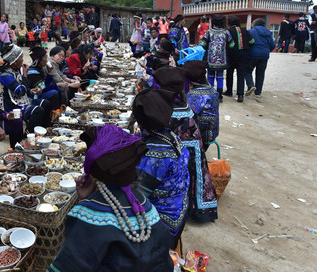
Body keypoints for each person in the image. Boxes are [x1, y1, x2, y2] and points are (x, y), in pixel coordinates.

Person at [48, 125, 173, 272]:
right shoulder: (144, 205)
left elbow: (68, 265)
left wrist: (85, 202)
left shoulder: (88, 215)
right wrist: (87, 199)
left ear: (92, 171)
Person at [152, 67, 218, 223]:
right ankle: (198, 208)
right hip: (193, 146)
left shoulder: (170, 108)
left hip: (182, 150)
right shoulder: (182, 100)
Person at [133, 88, 190, 249]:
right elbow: (139, 138)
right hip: (180, 207)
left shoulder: (156, 153)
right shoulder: (170, 136)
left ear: (140, 121)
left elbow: (136, 197)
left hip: (163, 221)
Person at [0, 44, 52, 132]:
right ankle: (28, 134)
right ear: (14, 61)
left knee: (46, 103)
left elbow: (23, 88)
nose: (23, 60)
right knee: (38, 110)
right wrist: (25, 75)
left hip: (21, 101)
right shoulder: (5, 75)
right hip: (12, 107)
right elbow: (20, 91)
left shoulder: (15, 71)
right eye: (21, 58)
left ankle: (43, 130)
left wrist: (31, 91)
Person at [182, 61, 220, 149]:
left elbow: (186, 112)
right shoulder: (210, 89)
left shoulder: (196, 94)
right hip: (211, 131)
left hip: (203, 136)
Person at [199, 14, 234, 102]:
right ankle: (219, 97)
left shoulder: (209, 32)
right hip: (221, 61)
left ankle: (210, 96)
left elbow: (202, 44)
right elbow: (232, 45)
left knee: (210, 77)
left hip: (211, 60)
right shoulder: (226, 32)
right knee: (220, 78)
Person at [225, 16, 254, 102]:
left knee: (229, 73)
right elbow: (252, 42)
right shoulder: (245, 31)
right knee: (241, 74)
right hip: (244, 54)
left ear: (229, 24)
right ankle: (240, 94)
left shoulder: (229, 32)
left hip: (232, 55)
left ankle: (229, 91)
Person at [245, 18, 276, 98]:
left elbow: (247, 43)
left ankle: (250, 86)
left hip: (252, 54)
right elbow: (273, 45)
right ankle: (258, 93)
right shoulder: (268, 32)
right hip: (264, 55)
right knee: (260, 74)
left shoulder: (251, 31)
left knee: (247, 71)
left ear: (254, 24)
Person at [27, 47, 60, 113]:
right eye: (45, 58)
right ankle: (53, 115)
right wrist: (57, 84)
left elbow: (45, 85)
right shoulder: (32, 72)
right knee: (54, 92)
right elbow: (42, 88)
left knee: (57, 89)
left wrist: (49, 72)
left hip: (40, 92)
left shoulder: (40, 69)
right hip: (34, 95)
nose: (47, 60)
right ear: (39, 60)